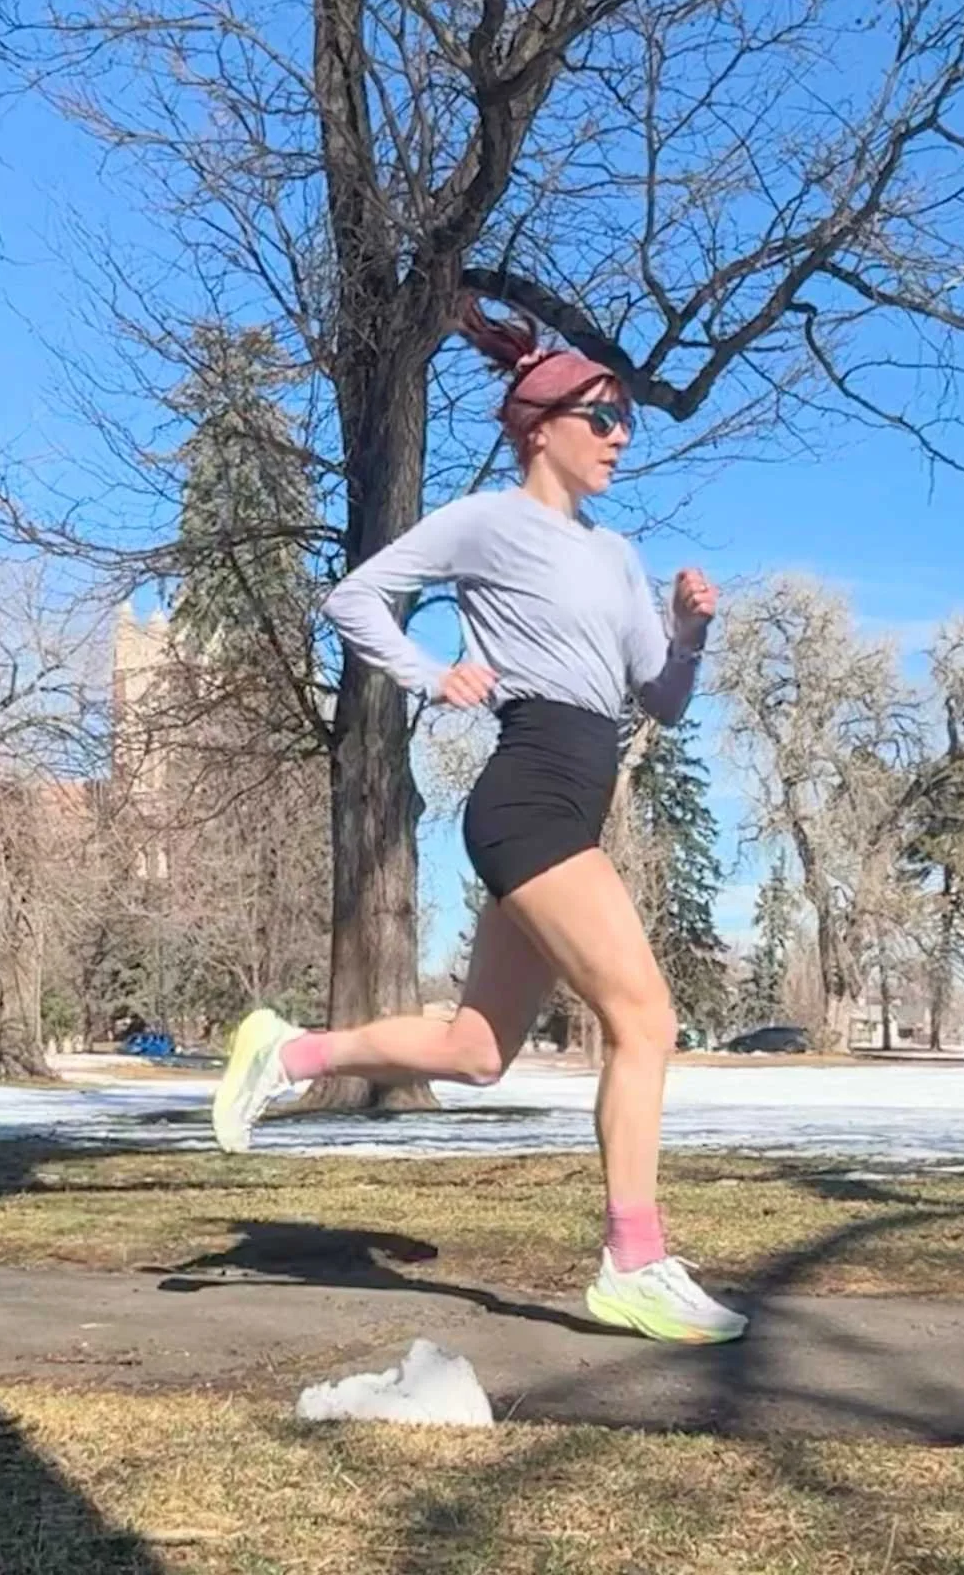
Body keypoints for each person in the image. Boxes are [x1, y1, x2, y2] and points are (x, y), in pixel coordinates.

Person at [210, 298, 747, 1345]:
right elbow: (354, 600)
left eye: (627, 419)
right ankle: (634, 1262)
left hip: (574, 804)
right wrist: (430, 673)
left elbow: (663, 699)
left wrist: (688, 634)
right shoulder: (486, 523)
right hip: (527, 796)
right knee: (646, 1020)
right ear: (540, 427)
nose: (621, 436)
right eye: (604, 417)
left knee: (475, 1050)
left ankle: (289, 1052)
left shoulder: (614, 554)